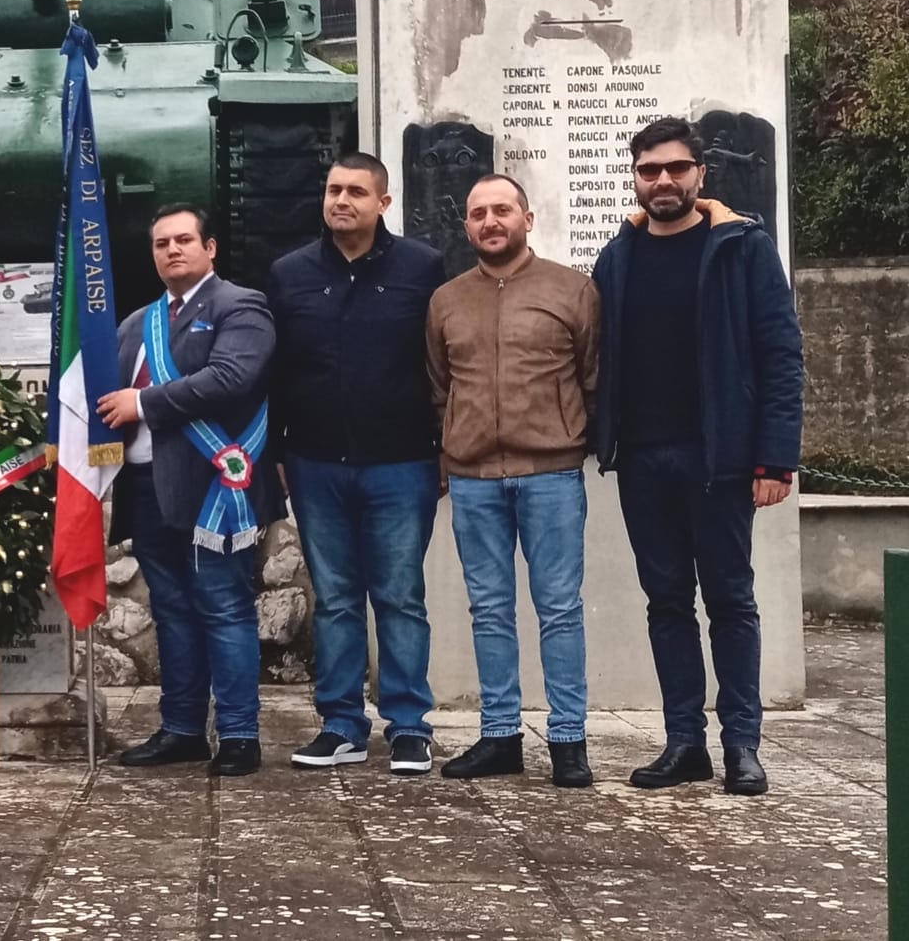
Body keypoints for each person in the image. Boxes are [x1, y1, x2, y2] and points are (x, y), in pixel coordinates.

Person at [593, 117, 803, 797]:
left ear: (700, 175)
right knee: (665, 603)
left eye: (676, 169)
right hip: (644, 459)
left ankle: (742, 744)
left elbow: (781, 356)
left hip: (721, 459)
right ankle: (684, 741)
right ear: (636, 177)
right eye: (649, 170)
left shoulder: (741, 248)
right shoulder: (617, 258)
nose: (663, 181)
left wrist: (775, 459)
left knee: (732, 600)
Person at [267, 153, 445, 776]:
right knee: (337, 598)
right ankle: (340, 724)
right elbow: (277, 371)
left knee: (400, 596)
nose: (342, 200)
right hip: (315, 463)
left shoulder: (422, 268)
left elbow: (440, 364)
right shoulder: (289, 274)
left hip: (402, 462)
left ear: (383, 203)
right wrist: (278, 453)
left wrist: (444, 449)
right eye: (333, 190)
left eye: (356, 192)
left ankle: (409, 727)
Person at [426, 175, 600, 788]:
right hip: (473, 478)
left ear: (528, 216)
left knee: (559, 609)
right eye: (478, 213)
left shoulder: (572, 290)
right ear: (467, 225)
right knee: (490, 610)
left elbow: (590, 374)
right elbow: (440, 385)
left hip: (550, 472)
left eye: (502, 210)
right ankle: (499, 735)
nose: (490, 221)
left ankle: (568, 740)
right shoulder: (446, 299)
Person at [99, 204, 279, 779]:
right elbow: (107, 401)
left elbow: (232, 378)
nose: (172, 250)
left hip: (214, 489)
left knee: (224, 609)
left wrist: (145, 403)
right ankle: (180, 728)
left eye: (183, 240)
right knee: (172, 610)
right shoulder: (134, 325)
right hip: (147, 487)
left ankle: (239, 735)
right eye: (160, 243)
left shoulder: (239, 306)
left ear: (210, 248)